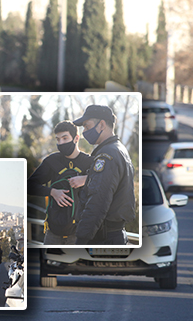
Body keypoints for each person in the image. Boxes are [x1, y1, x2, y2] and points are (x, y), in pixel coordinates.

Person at [73, 105, 136, 245]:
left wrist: (82, 238)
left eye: (87, 126)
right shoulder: (119, 149)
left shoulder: (106, 156)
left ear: (101, 124)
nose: (84, 131)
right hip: (113, 233)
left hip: (102, 237)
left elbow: (98, 201)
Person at [27, 120, 92, 245]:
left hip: (80, 233)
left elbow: (108, 183)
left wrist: (86, 179)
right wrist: (52, 192)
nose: (61, 143)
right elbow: (29, 185)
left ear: (76, 138)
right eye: (58, 139)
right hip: (53, 233)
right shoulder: (52, 161)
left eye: (65, 138)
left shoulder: (89, 162)